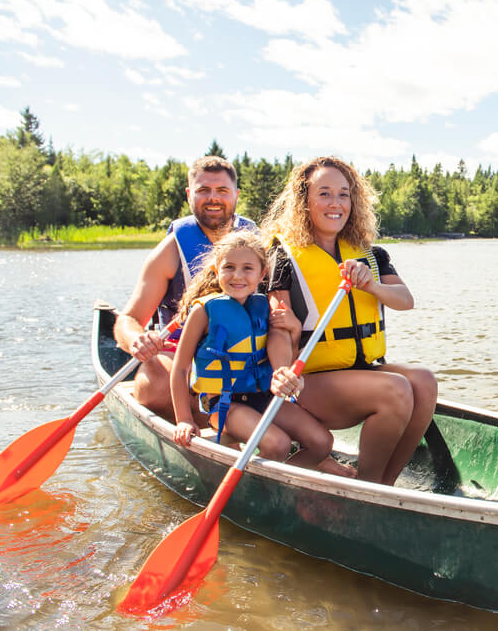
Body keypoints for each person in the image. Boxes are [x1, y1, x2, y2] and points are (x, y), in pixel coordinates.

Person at [261, 156, 437, 485]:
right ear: (304, 200)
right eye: (324, 193)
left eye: (344, 194)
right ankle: (367, 487)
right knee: (395, 389)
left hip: (362, 370)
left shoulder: (370, 254)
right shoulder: (283, 256)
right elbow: (280, 326)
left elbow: (406, 301)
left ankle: (384, 485)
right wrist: (282, 370)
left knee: (424, 382)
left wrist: (371, 283)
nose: (336, 203)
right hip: (308, 383)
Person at [169, 230, 354, 476]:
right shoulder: (204, 311)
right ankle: (264, 490)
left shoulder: (263, 306)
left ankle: (283, 481)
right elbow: (180, 368)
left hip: (263, 397)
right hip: (225, 404)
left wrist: (294, 332)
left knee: (322, 442)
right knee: (277, 444)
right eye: (229, 267)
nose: (237, 276)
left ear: (262, 273)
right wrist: (184, 418)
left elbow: (283, 352)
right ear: (216, 269)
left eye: (248, 268)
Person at [114, 156, 255, 422]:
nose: (213, 198)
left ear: (236, 195)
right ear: (190, 194)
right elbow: (128, 319)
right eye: (203, 190)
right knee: (155, 386)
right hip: (180, 352)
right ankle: (203, 424)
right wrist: (137, 340)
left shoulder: (255, 241)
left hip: (241, 349)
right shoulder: (171, 250)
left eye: (222, 191)